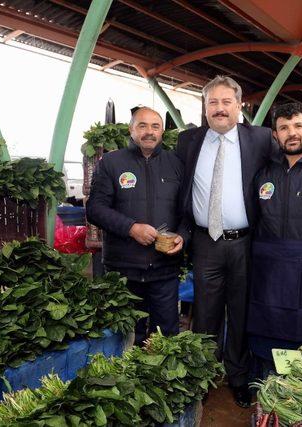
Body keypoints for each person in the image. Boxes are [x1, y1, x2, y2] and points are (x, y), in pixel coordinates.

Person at [176, 75, 275, 407]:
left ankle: (237, 376)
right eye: (212, 103)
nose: (219, 109)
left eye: (226, 102)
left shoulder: (261, 139)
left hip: (245, 243)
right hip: (205, 242)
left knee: (242, 311)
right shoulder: (188, 141)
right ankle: (203, 375)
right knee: (205, 313)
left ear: (239, 105)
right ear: (204, 107)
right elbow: (180, 191)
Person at [247, 103, 302, 379]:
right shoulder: (263, 171)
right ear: (275, 135)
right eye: (284, 128)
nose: (292, 133)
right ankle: (264, 383)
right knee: (265, 328)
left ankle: (300, 389)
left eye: (298, 126)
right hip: (267, 269)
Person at [86, 107, 184, 346]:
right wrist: (131, 228)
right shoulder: (111, 162)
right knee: (127, 339)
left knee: (166, 339)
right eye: (142, 125)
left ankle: (162, 383)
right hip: (124, 270)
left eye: (155, 126)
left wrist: (183, 236)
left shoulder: (176, 163)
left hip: (165, 269)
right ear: (131, 129)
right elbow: (95, 209)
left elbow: (188, 210)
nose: (149, 132)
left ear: (162, 131)